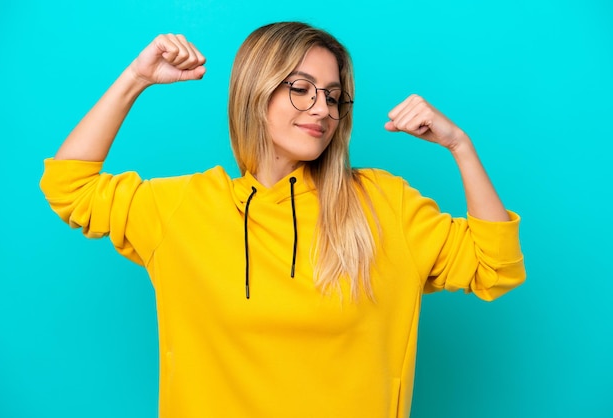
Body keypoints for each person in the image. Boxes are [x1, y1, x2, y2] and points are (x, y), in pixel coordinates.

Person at [40, 21, 526, 418]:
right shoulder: (184, 209)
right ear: (257, 92)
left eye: (333, 96)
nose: (322, 109)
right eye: (301, 89)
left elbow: (494, 265)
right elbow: (69, 187)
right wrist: (136, 78)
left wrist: (460, 146)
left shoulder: (383, 205)